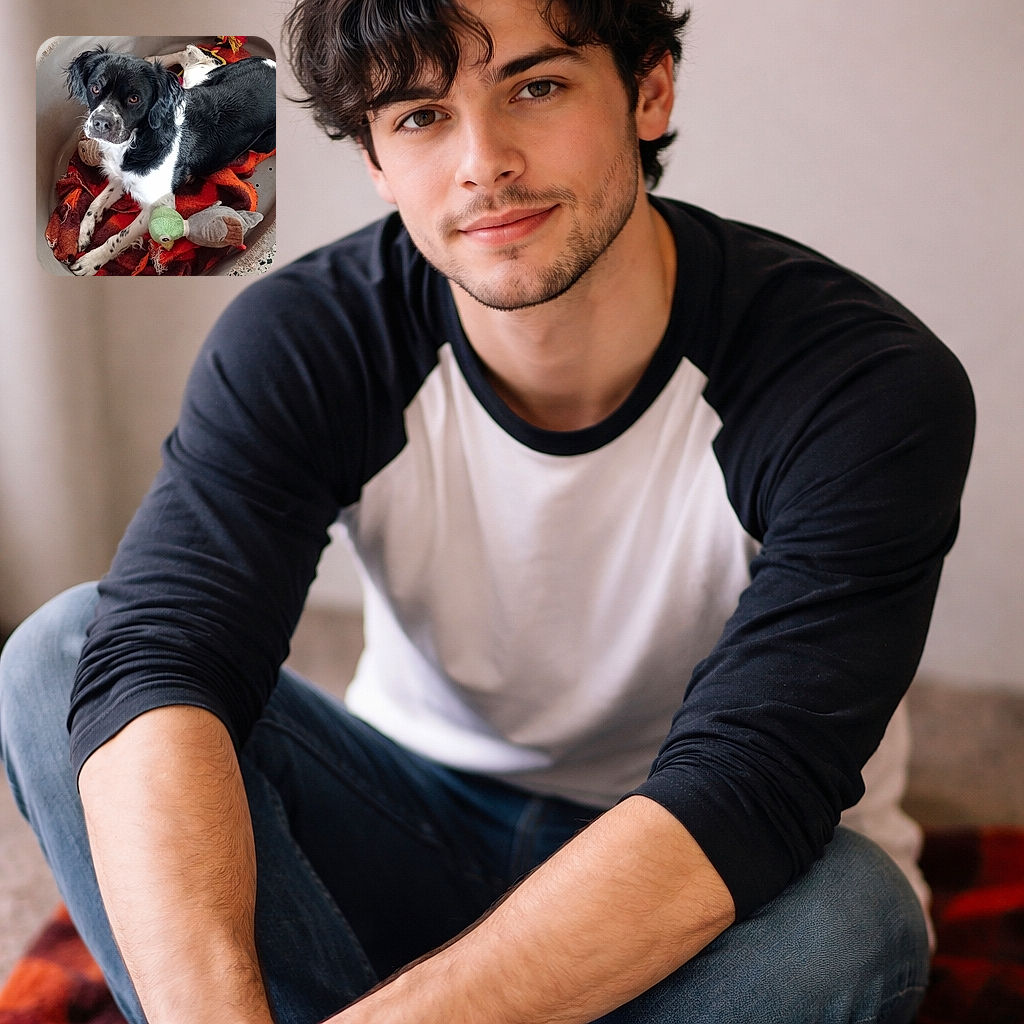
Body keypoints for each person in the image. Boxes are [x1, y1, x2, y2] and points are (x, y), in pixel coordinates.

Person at [0, 1, 974, 1022]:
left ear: (648, 89)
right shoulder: (306, 339)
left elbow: (747, 786)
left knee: (850, 925)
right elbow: (166, 646)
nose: (484, 162)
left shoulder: (860, 383)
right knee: (63, 656)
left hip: (695, 868)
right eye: (420, 116)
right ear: (376, 159)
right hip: (412, 815)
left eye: (537, 88)